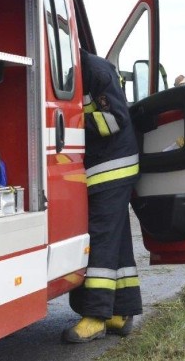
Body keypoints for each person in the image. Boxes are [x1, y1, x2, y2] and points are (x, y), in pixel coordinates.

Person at [63, 49, 141, 343]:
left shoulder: (95, 71)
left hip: (112, 168)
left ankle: (95, 317)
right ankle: (122, 313)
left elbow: (115, 119)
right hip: (105, 167)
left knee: (102, 239)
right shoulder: (79, 69)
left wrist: (72, 120)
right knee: (117, 240)